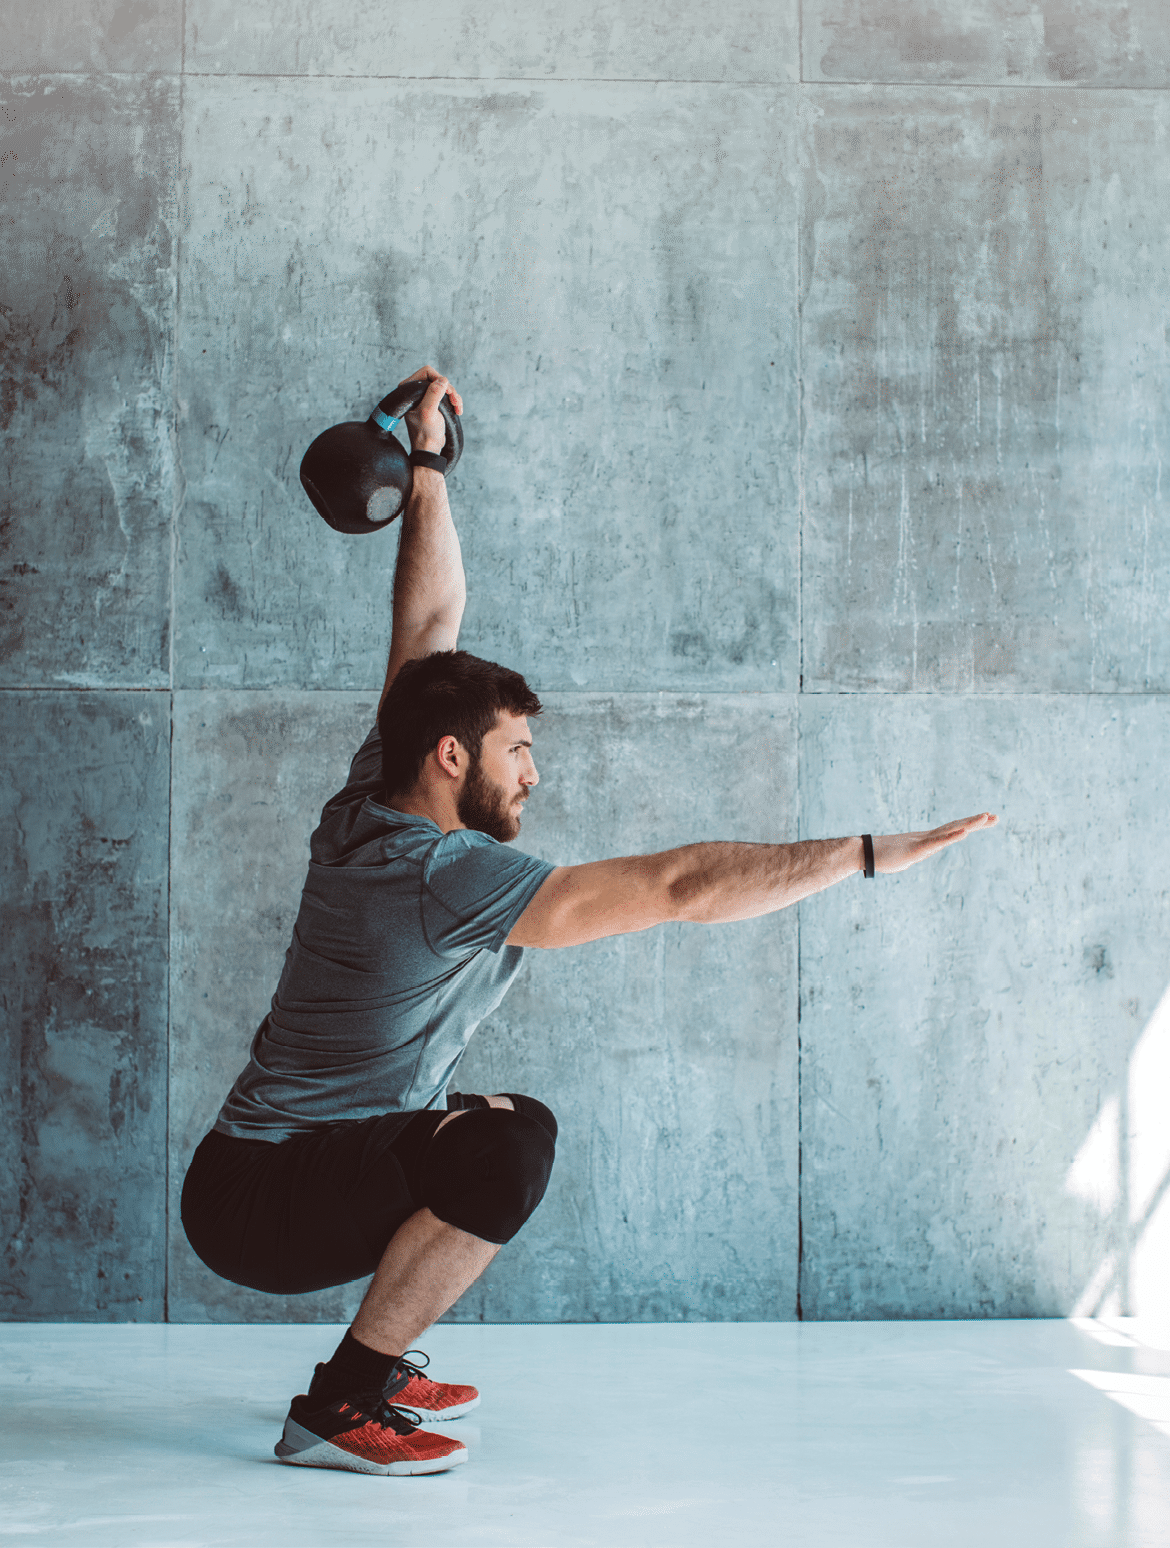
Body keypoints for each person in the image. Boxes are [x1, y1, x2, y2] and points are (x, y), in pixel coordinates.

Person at [180, 364, 999, 1479]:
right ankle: (339, 1405)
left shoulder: (377, 791)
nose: (534, 776)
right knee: (506, 1151)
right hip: (260, 1198)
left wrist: (425, 467)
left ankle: (377, 1366)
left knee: (509, 1122)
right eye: (519, 753)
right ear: (454, 757)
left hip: (255, 1175)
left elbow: (428, 621)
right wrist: (863, 854)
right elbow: (676, 888)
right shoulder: (439, 870)